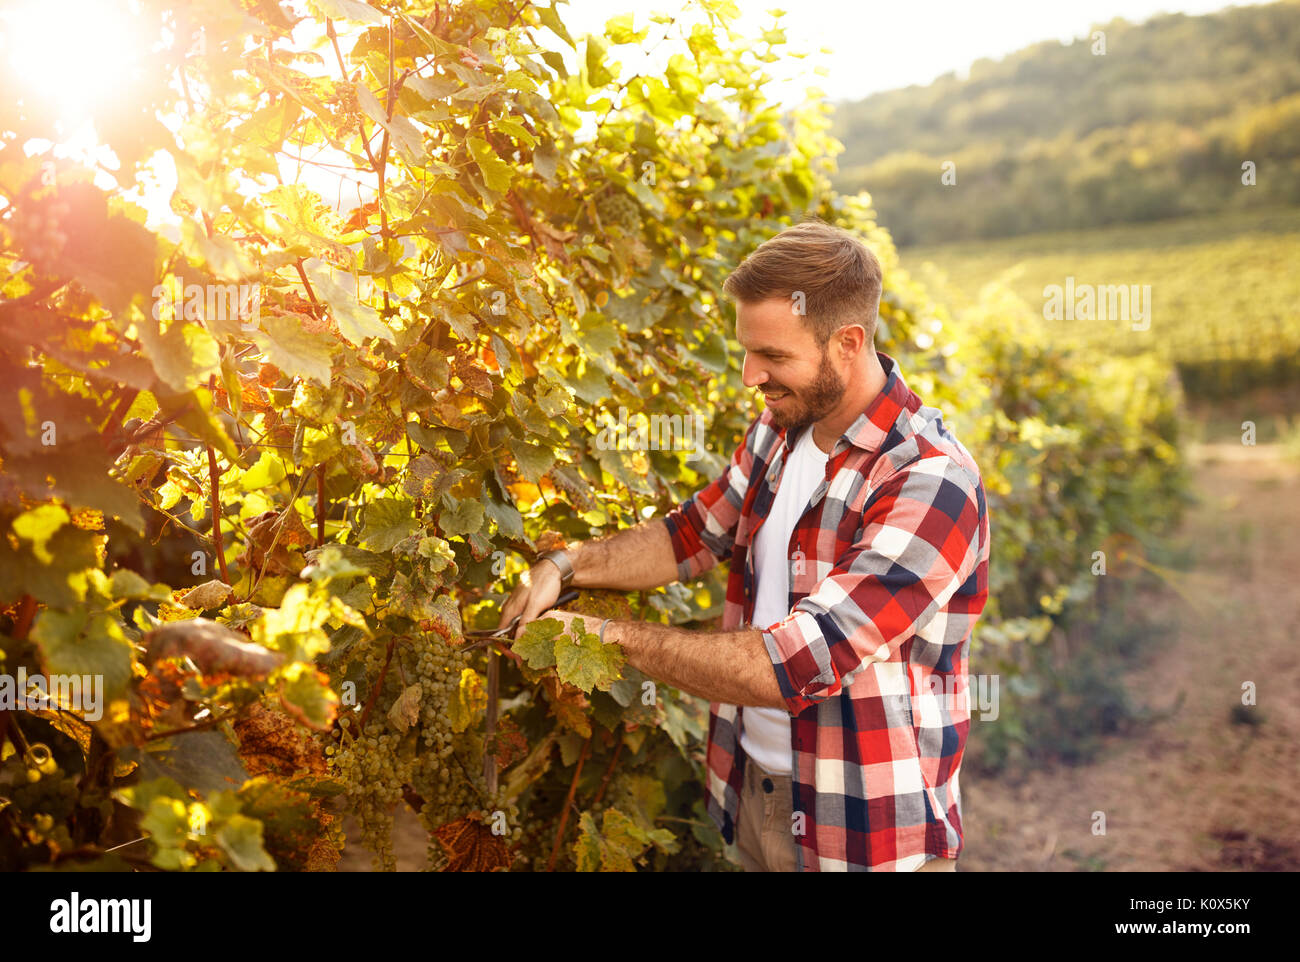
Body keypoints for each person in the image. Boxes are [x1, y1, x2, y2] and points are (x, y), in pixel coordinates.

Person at [499, 218, 990, 871]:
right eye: (747, 350)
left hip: (865, 834)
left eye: (773, 357)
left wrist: (603, 638)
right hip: (752, 791)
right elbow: (692, 534)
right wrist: (566, 565)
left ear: (848, 342)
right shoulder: (783, 429)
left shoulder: (929, 480)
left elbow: (795, 664)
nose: (749, 375)